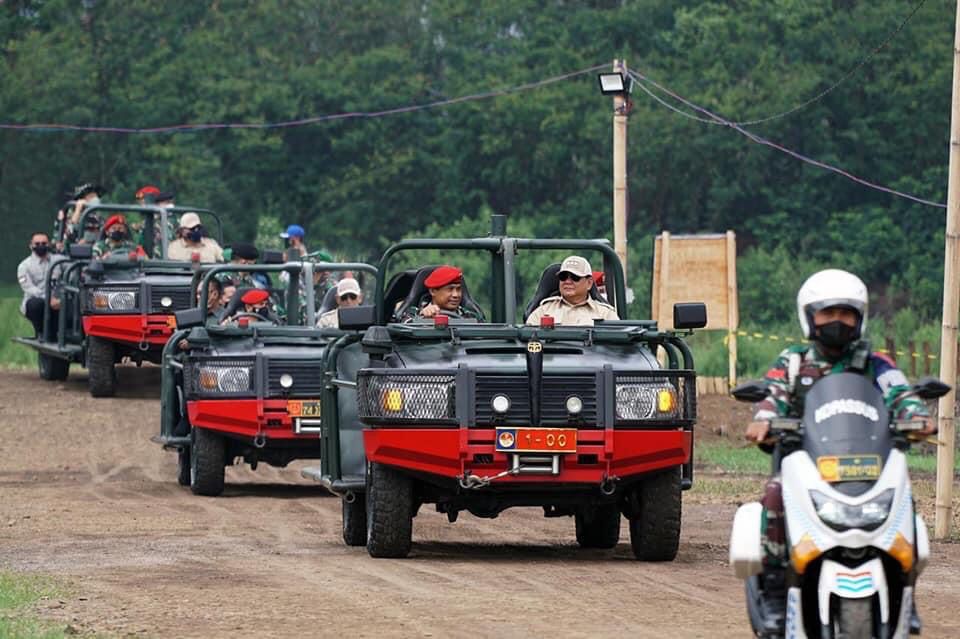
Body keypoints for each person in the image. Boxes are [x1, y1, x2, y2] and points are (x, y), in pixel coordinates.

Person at [744, 268, 934, 636]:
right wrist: (764, 419)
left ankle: (905, 592)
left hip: (869, 467)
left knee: (904, 500)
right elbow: (772, 397)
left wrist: (917, 416)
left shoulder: (877, 364)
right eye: (828, 313)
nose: (837, 321)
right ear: (809, 317)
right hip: (808, 465)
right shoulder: (794, 362)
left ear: (859, 319)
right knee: (773, 494)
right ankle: (773, 593)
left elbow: (901, 394)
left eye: (846, 314)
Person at [526, 256, 618, 326]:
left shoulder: (606, 314)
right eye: (563, 277)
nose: (568, 282)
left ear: (589, 283)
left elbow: (618, 347)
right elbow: (529, 344)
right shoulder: (542, 312)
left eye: (575, 277)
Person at [17, 232, 64, 339]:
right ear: (31, 246)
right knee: (35, 304)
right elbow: (29, 288)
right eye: (37, 244)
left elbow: (73, 270)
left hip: (58, 301)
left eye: (44, 243)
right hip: (38, 303)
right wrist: (48, 299)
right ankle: (41, 332)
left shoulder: (58, 260)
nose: (40, 246)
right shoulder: (24, 266)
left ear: (49, 245)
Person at [400, 265, 482, 322]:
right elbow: (402, 328)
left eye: (458, 289)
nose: (456, 295)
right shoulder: (413, 313)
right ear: (433, 291)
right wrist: (422, 317)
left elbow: (482, 335)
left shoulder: (470, 316)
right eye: (450, 289)